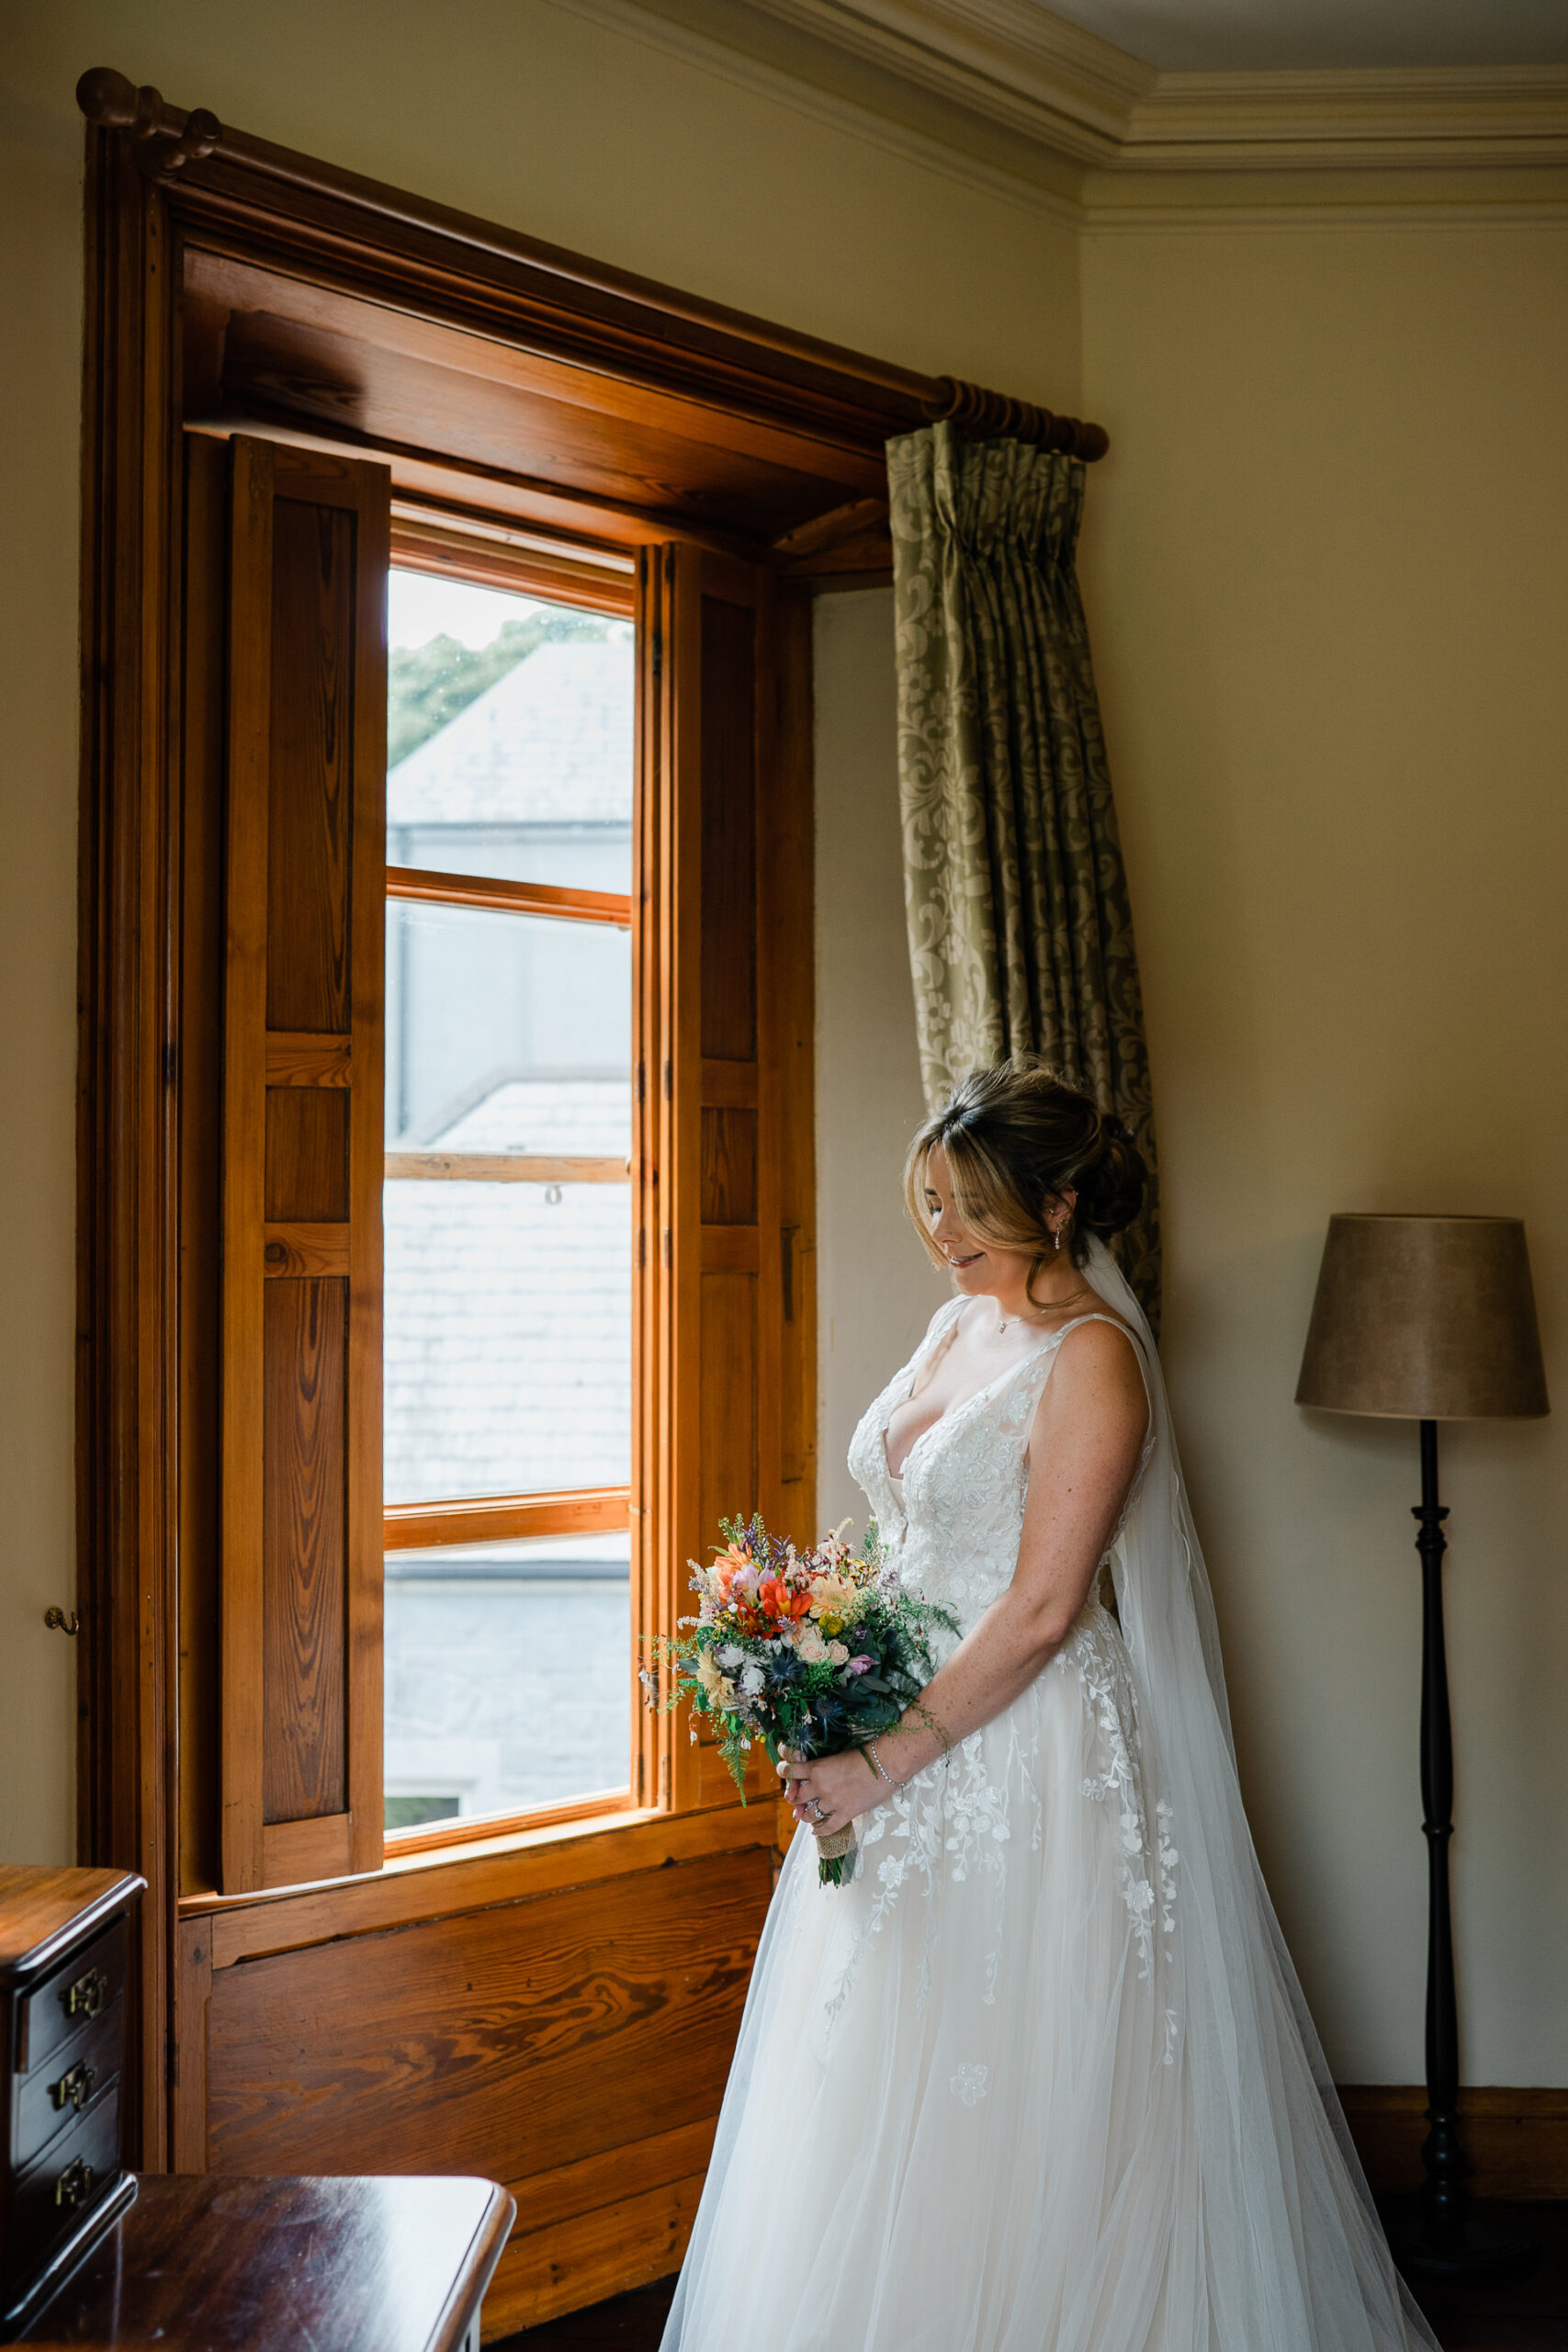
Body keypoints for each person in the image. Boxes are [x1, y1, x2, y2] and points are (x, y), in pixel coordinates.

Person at [660, 1058, 1437, 2352]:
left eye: (970, 1207)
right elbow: (909, 1525)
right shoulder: (959, 1323)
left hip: (1025, 1757)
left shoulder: (1095, 1363)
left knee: (1026, 2081)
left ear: (1061, 1204)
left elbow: (1039, 1609)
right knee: (874, 2064)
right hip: (899, 1726)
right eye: (928, 1201)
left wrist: (883, 1761)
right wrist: (813, 1644)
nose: (941, 1234)